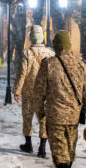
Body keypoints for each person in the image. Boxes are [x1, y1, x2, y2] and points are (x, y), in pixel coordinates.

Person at [34, 30, 86, 168]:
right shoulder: (81, 65)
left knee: (58, 152)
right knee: (69, 151)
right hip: (74, 117)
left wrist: (40, 114)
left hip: (55, 116)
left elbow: (38, 93)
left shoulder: (49, 64)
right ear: (69, 45)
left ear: (55, 46)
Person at [13, 25, 55, 157]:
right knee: (43, 119)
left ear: (31, 38)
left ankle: (28, 144)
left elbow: (22, 73)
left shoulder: (27, 53)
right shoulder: (50, 53)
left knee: (27, 118)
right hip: (45, 93)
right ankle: (42, 148)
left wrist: (17, 90)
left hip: (29, 92)